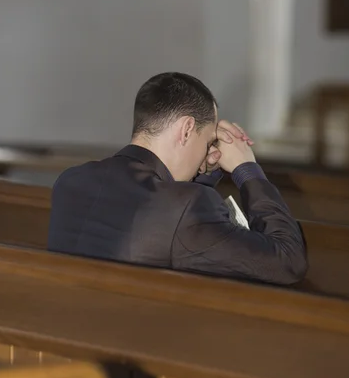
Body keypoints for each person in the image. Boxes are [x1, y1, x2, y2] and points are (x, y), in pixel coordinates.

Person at [48, 72, 308, 285]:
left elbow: (175, 235)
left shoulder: (71, 181)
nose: (209, 151)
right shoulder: (186, 208)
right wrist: (246, 169)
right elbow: (287, 261)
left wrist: (204, 175)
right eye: (208, 142)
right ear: (186, 130)